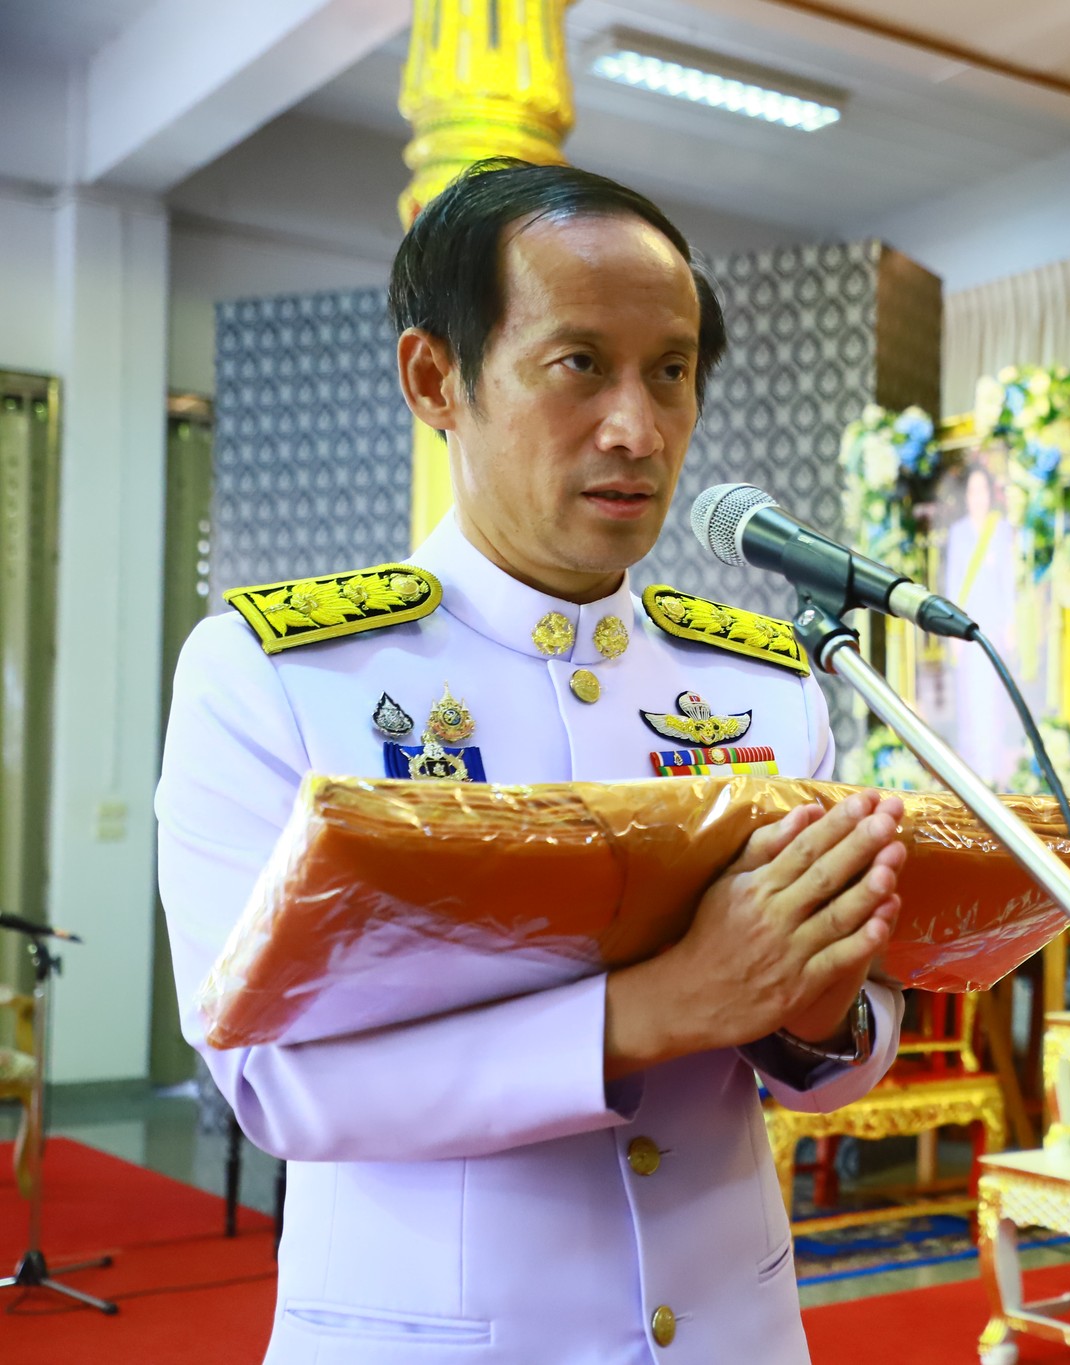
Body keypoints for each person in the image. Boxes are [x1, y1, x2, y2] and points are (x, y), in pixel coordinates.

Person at [156, 159, 907, 1363]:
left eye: (671, 371)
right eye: (579, 364)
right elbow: (270, 1082)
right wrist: (655, 1010)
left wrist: (814, 1017)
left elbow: (836, 1054)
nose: (637, 428)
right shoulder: (277, 677)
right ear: (434, 379)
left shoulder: (763, 687)